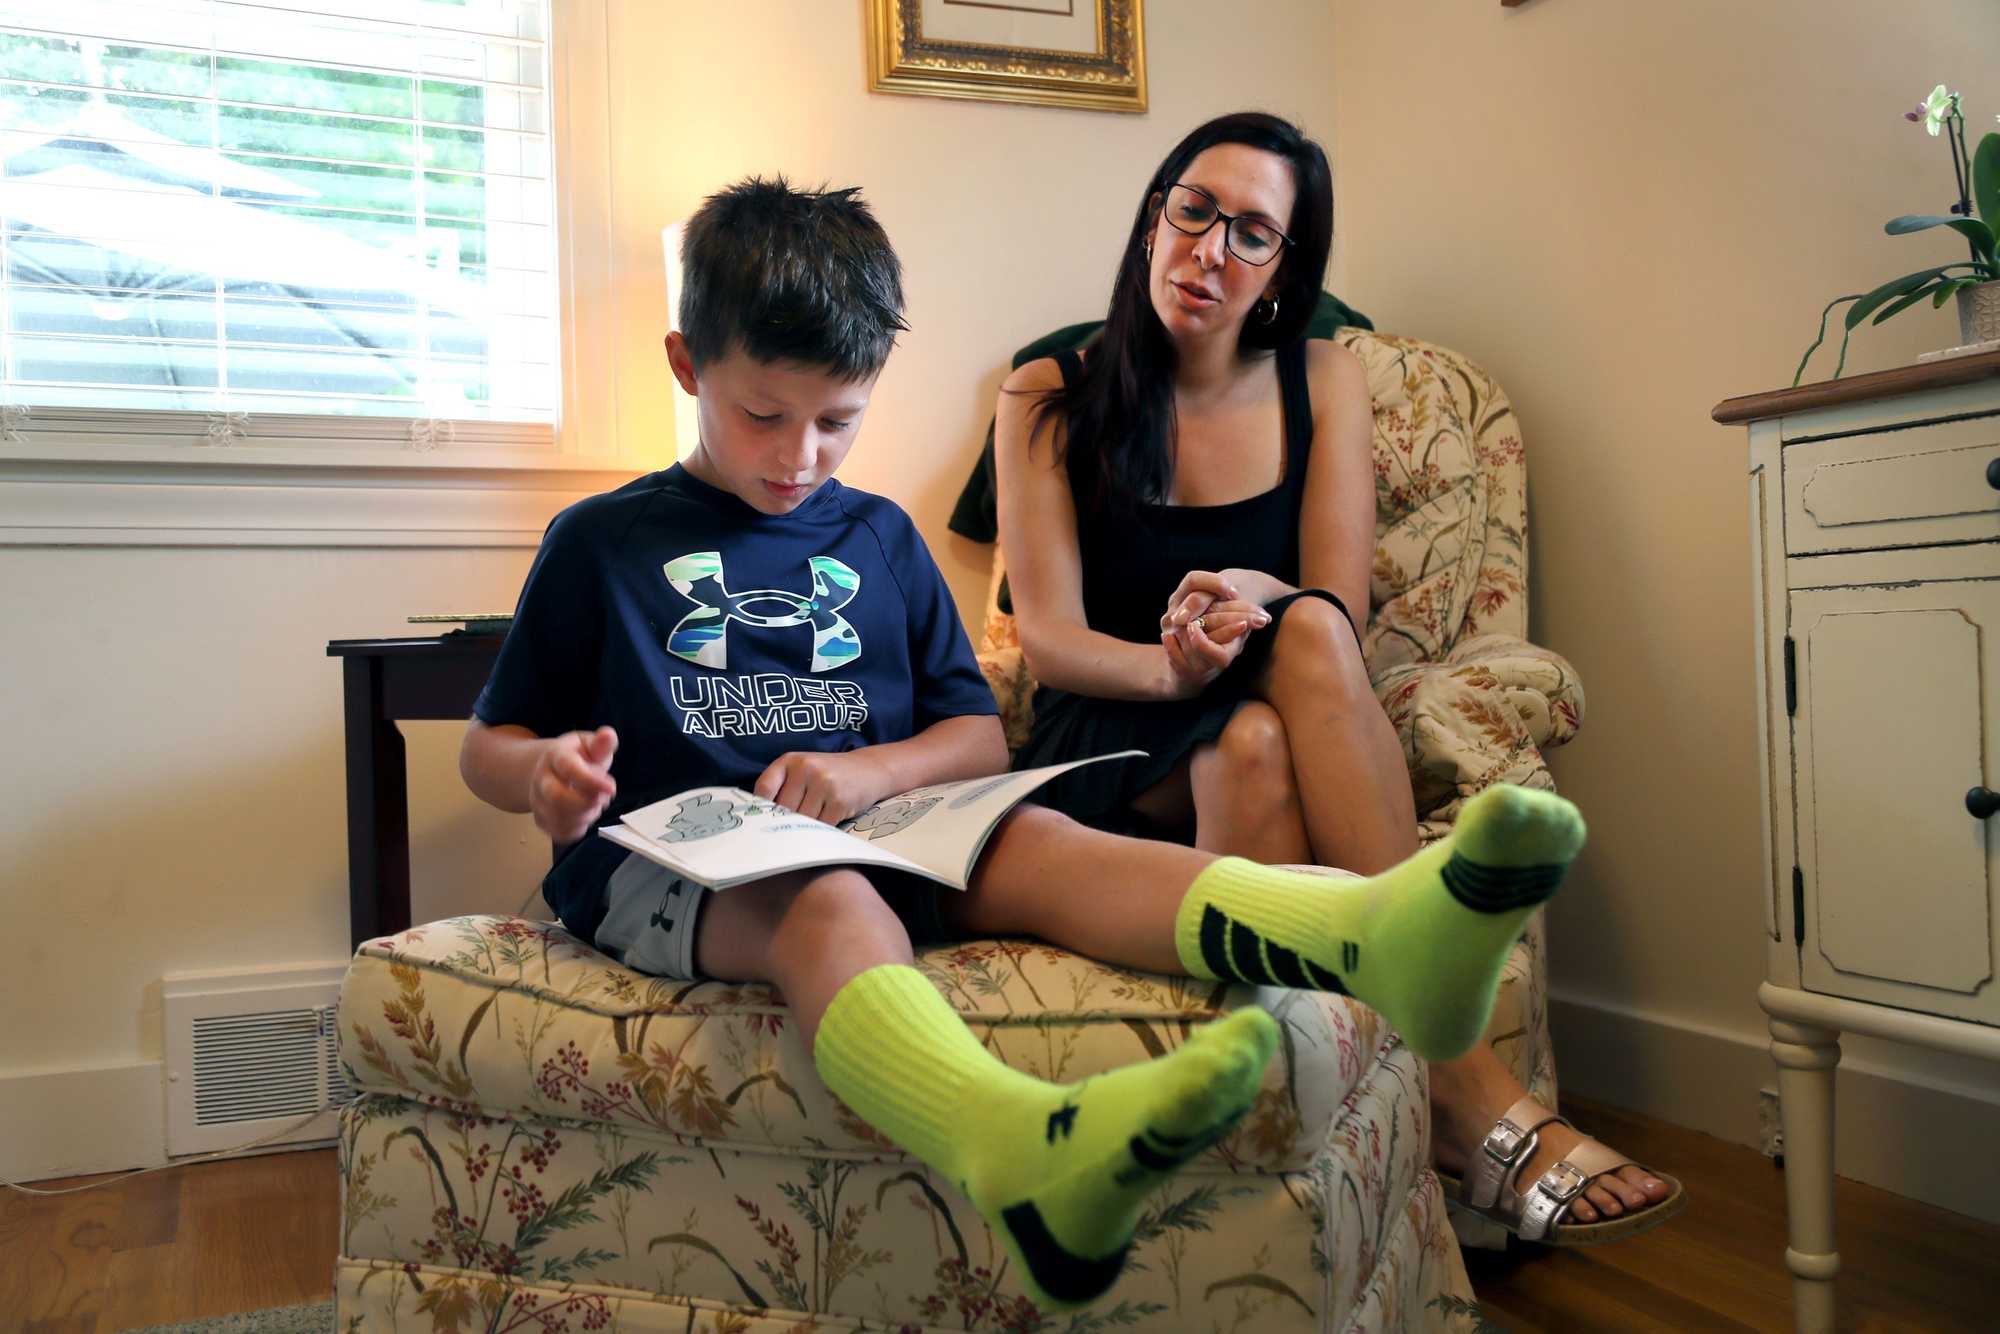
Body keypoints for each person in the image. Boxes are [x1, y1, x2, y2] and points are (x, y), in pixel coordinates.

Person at [459, 176, 1588, 1311]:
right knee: (833, 905)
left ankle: (1368, 932)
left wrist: (867, 772)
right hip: (675, 857)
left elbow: (968, 735)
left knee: (1043, 842)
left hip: (873, 822)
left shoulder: (880, 536)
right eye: (765, 415)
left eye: (839, 420)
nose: (802, 453)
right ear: (686, 363)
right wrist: (543, 777)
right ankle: (1016, 1144)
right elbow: (489, 743)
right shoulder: (601, 541)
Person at [992, 112, 1682, 1246]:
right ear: (1154, 218)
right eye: (1194, 210)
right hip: (1105, 724)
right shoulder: (1045, 391)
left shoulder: (1324, 377)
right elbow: (1052, 638)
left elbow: (1336, 606)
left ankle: (1329, 1151)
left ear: (1282, 270)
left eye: (1252, 233)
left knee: (1283, 689)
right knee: (1254, 718)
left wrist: (1230, 603)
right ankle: (1459, 1089)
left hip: (1254, 698)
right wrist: (1170, 671)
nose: (1210, 250)